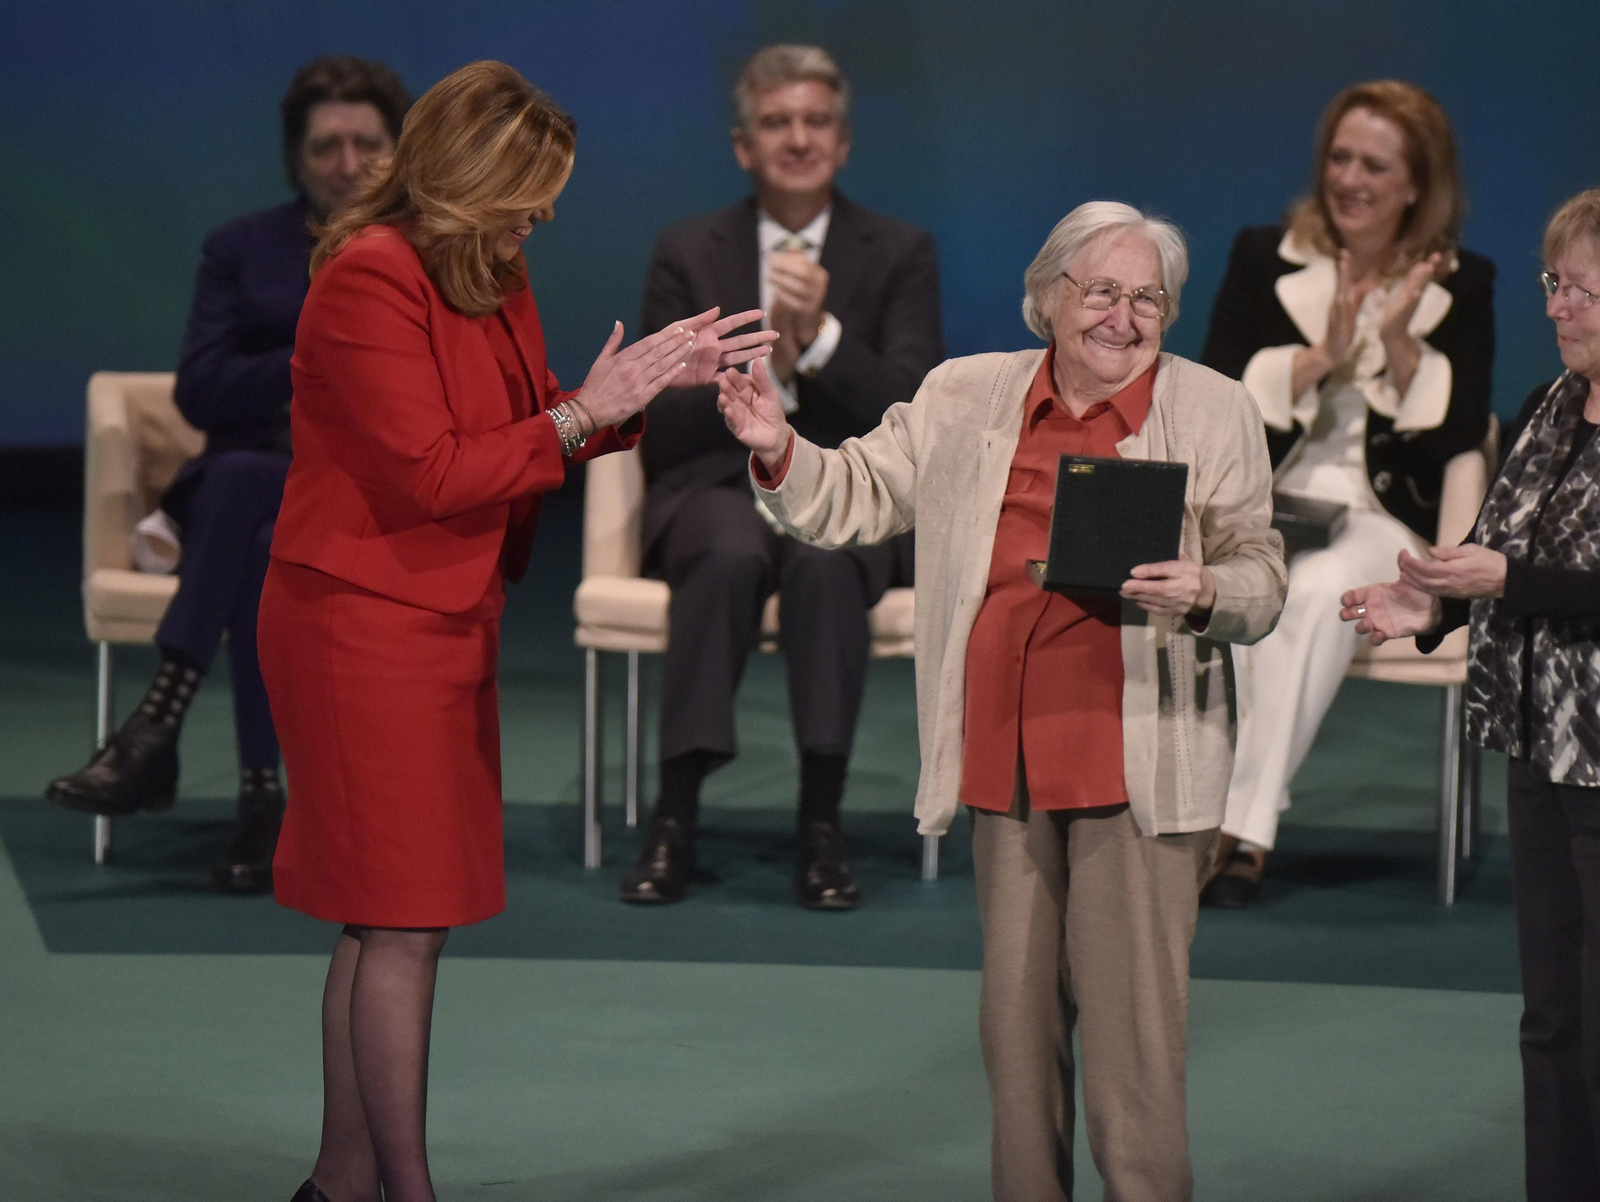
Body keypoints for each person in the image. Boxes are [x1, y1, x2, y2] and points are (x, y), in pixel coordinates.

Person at [257, 62, 775, 1202]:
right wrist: (585, 408)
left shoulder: (490, 264)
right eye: (525, 191)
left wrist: (626, 395)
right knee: (402, 920)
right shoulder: (368, 279)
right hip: (360, 623)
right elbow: (437, 469)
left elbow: (532, 419)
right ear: (461, 176)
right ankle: (403, 1186)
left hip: (442, 614)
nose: (540, 216)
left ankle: (342, 1182)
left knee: (385, 914)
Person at [718, 201, 1286, 1202]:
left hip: (1134, 763)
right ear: (1047, 295)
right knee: (1014, 1034)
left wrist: (1203, 590)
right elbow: (851, 490)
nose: (1122, 316)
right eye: (1101, 290)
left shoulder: (1211, 410)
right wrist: (777, 444)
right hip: (1001, 751)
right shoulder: (963, 394)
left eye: (1147, 297)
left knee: (1133, 1048)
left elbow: (1260, 578)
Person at [45, 55, 413, 893]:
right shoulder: (242, 248)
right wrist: (316, 363)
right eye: (326, 146)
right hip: (254, 481)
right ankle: (261, 799)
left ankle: (159, 728)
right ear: (297, 157)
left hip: (364, 492)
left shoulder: (422, 253)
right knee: (257, 507)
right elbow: (201, 388)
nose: (347, 163)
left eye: (366, 143)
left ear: (398, 151)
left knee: (257, 513)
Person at [624, 43, 943, 909]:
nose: (797, 138)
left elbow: (916, 411)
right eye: (776, 123)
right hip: (716, 490)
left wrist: (825, 341)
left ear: (842, 143)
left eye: (815, 122)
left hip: (846, 489)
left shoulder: (901, 251)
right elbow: (648, 418)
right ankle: (676, 817)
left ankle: (821, 822)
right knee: (727, 552)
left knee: (826, 559)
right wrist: (748, 384)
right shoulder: (690, 250)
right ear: (742, 145)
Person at [1343, 189, 1600, 1202]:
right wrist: (1429, 610)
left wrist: (1502, 584)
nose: (1556, 305)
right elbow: (1496, 554)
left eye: (1579, 287)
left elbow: (1519, 574)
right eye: (1552, 283)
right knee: (1550, 1017)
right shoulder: (1547, 406)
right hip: (1540, 747)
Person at [1198, 79, 1494, 906]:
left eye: (1375, 165)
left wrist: (1399, 344)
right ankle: (1236, 825)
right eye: (1340, 158)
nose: (1351, 179)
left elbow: (1460, 431)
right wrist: (1317, 357)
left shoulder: (1465, 282)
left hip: (1376, 514)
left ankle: (1236, 830)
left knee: (1320, 587)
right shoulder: (1265, 254)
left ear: (1415, 184)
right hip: (1270, 497)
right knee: (1259, 578)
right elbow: (1217, 392)